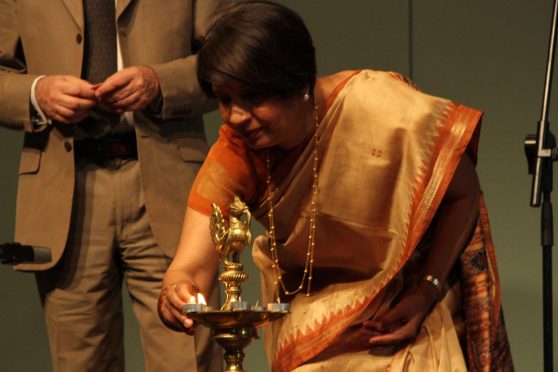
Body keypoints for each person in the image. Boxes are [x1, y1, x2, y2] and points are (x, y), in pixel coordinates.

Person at [158, 1, 514, 371]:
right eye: (225, 99)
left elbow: (463, 192)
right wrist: (176, 292)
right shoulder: (236, 151)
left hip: (405, 308)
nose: (235, 116)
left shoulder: (378, 107)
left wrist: (425, 291)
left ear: (299, 84)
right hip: (313, 322)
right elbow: (190, 267)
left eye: (253, 98)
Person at [0, 0, 229, 371]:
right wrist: (36, 93)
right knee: (81, 363)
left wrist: (159, 83)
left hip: (166, 179)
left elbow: (231, 56)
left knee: (188, 359)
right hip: (66, 191)